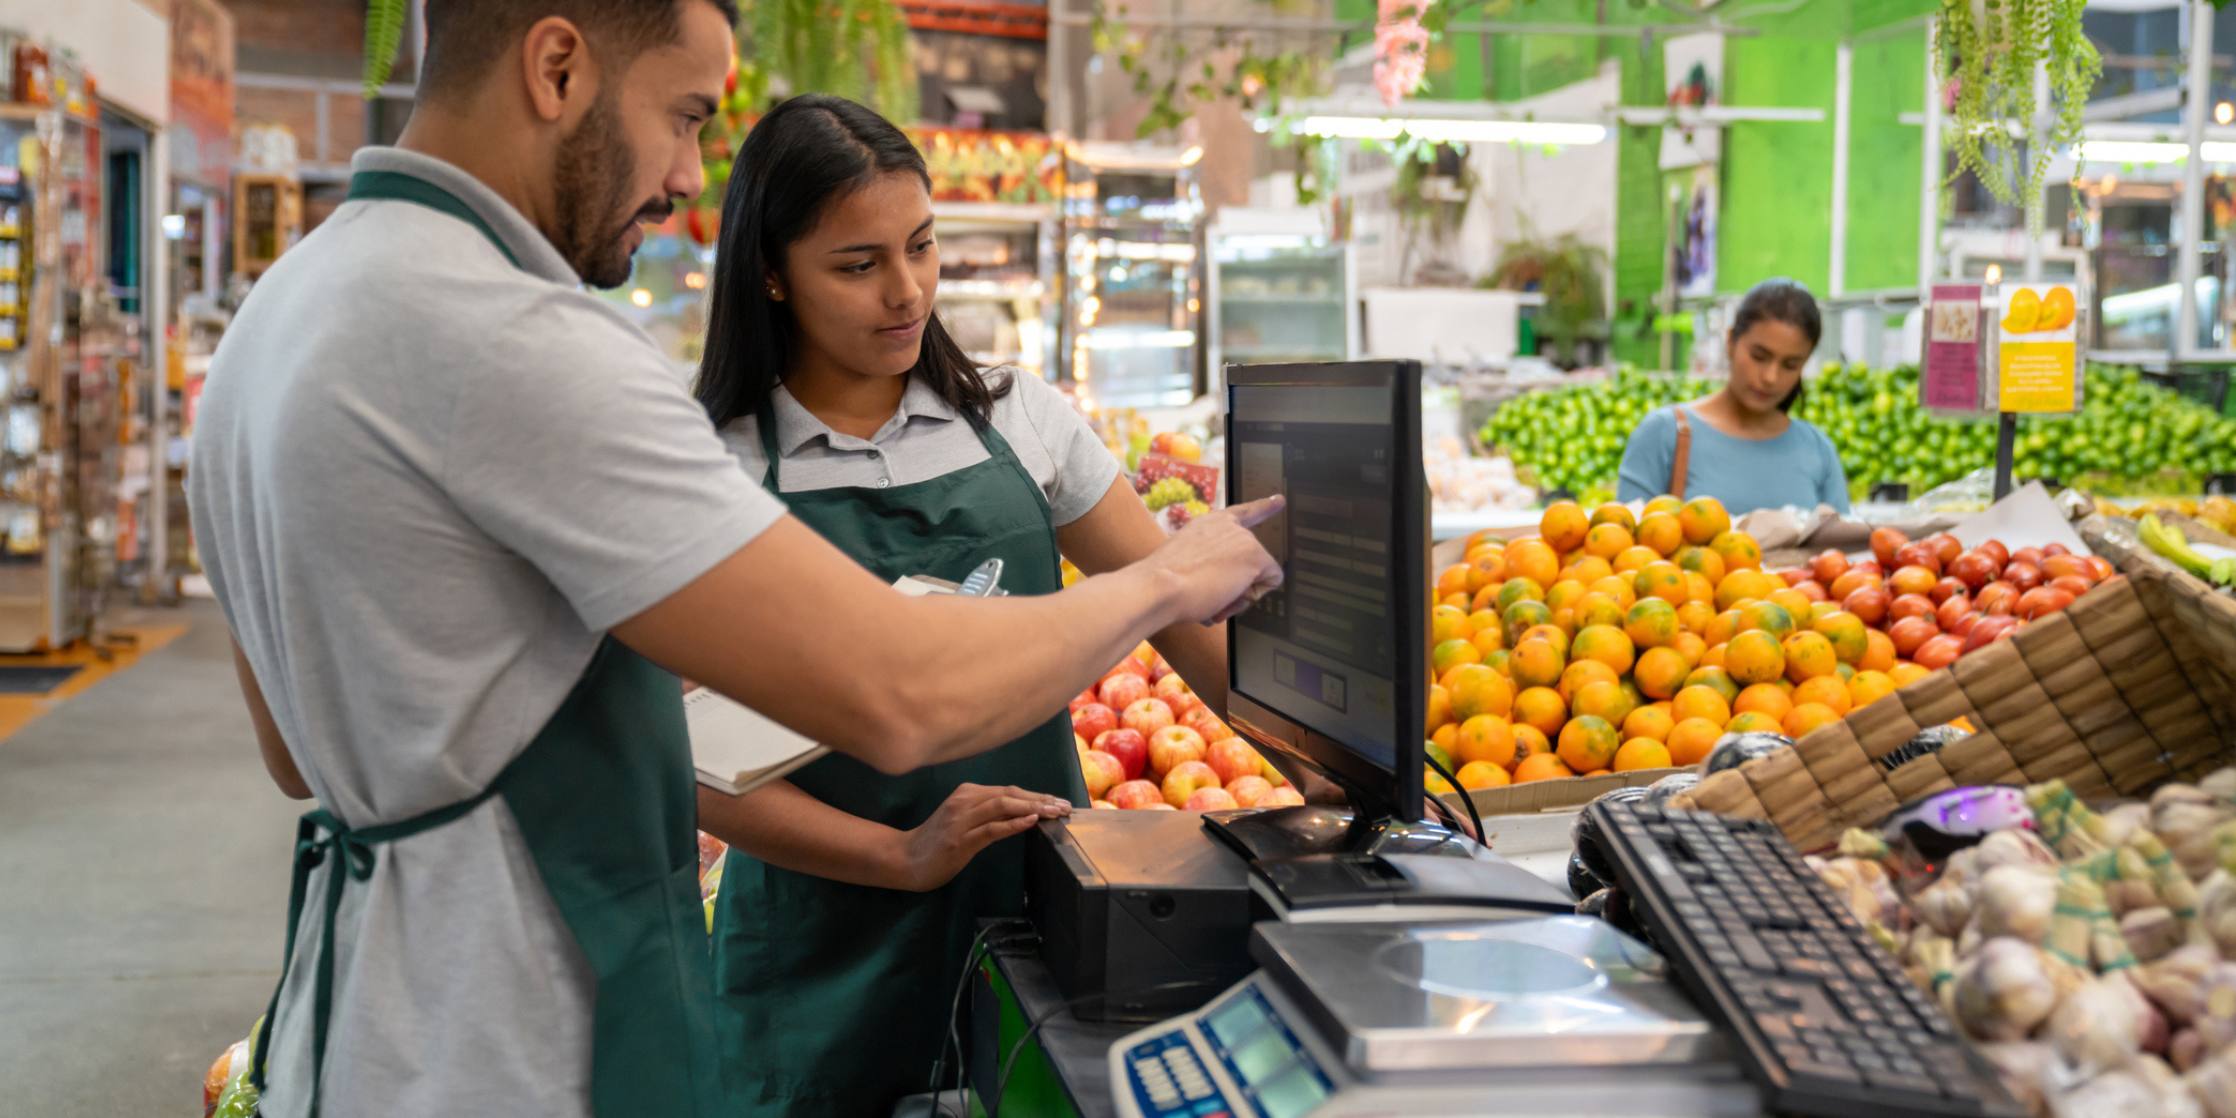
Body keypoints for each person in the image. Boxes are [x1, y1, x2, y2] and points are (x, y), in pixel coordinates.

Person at [184, 4, 1281, 1117]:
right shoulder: (514, 341)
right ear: (557, 66)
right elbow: (899, 692)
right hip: (517, 1029)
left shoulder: (278, 319)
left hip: (366, 1013)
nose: (683, 176)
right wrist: (1166, 574)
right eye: (683, 115)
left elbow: (290, 750)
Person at [686, 94, 1235, 1116]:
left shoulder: (1016, 416)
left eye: (922, 247)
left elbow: (1186, 617)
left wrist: (1347, 773)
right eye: (857, 265)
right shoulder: (708, 463)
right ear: (771, 272)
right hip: (818, 952)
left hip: (1036, 908)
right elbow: (684, 760)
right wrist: (899, 855)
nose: (906, 293)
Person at [1616, 279, 1851, 515]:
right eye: (1759, 356)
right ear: (1730, 342)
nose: (1770, 377)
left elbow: (1842, 549)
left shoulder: (1817, 450)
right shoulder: (1665, 434)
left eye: (1790, 365)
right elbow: (1624, 542)